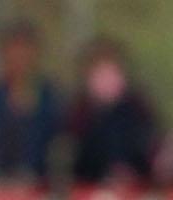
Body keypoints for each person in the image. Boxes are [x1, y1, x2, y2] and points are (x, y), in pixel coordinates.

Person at [0, 19, 63, 182]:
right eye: (14, 49)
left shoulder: (48, 94)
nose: (19, 56)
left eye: (25, 50)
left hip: (34, 182)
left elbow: (53, 138)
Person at [66, 38, 158, 186]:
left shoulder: (137, 107)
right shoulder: (79, 111)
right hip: (90, 186)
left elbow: (148, 145)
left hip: (135, 187)